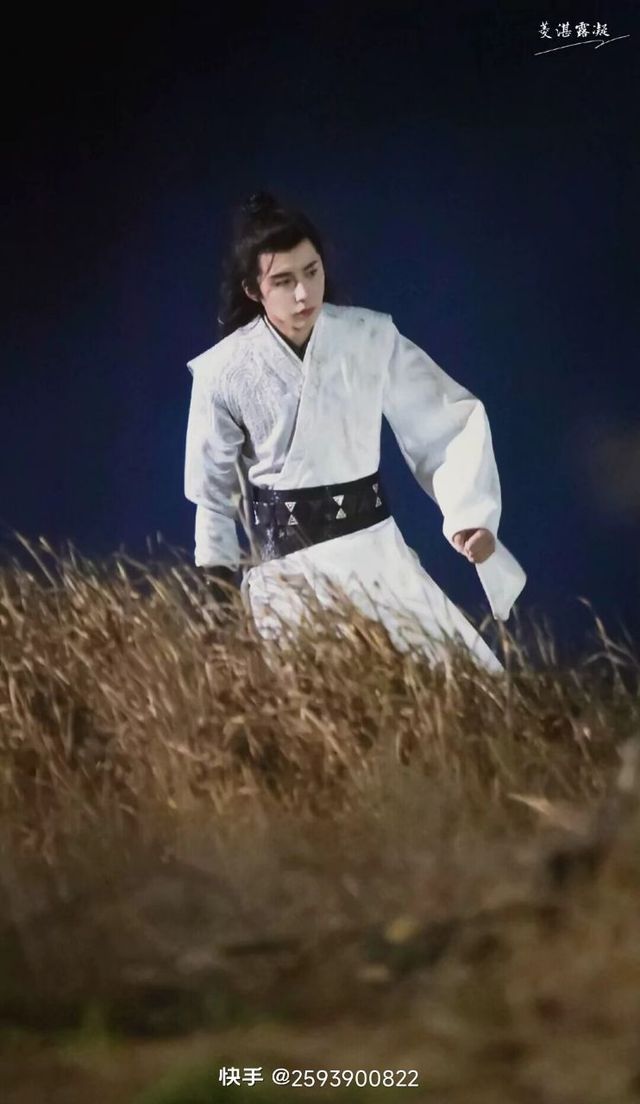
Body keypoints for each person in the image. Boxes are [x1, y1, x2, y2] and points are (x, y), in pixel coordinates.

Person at [183, 191, 526, 671]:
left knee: (469, 686)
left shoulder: (369, 338)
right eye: (283, 281)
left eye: (312, 272)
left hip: (379, 560)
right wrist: (218, 606)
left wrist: (470, 513)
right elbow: (214, 498)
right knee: (319, 705)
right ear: (253, 290)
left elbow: (446, 418)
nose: (303, 293)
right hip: (288, 583)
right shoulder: (222, 371)